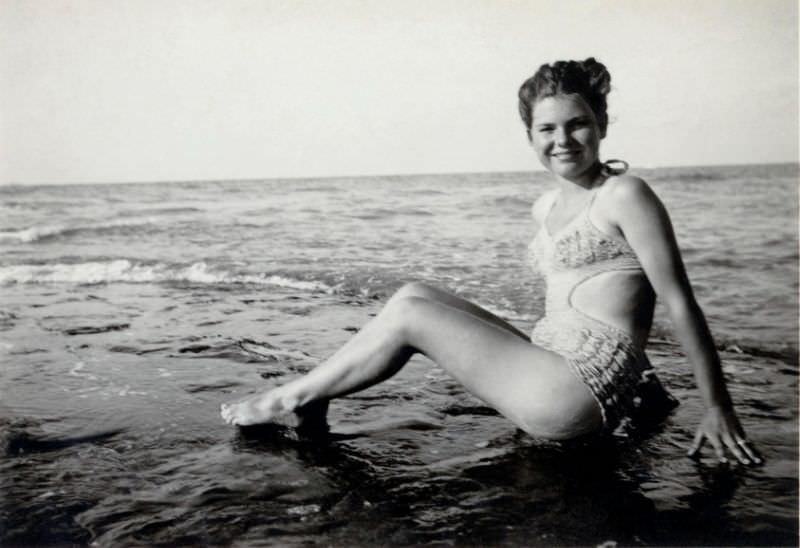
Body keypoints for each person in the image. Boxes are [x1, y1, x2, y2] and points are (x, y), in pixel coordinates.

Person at [221, 58, 760, 465]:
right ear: (530, 137)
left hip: (575, 393)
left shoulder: (625, 194)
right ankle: (314, 398)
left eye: (577, 124)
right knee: (413, 294)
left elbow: (678, 302)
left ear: (601, 125)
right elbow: (593, 297)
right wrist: (647, 390)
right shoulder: (546, 204)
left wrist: (717, 406)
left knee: (412, 319)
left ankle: (289, 397)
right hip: (554, 365)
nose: (563, 140)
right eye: (547, 129)